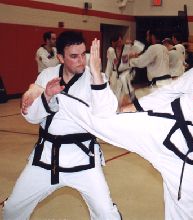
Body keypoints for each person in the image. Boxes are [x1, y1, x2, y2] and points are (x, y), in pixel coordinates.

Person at [20, 29, 193, 219]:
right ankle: (55, 96)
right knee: (105, 121)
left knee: (188, 205)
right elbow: (167, 94)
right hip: (161, 127)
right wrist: (131, 107)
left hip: (185, 153)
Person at [3, 31, 122, 220]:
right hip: (47, 158)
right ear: (60, 57)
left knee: (107, 214)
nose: (81, 61)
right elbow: (31, 117)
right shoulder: (47, 76)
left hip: (83, 159)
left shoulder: (94, 76)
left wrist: (98, 75)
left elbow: (107, 114)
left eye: (83, 54)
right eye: (74, 56)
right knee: (12, 210)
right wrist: (46, 96)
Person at [130, 30, 170, 98]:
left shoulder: (153, 48)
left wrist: (130, 60)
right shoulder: (164, 48)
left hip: (158, 85)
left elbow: (141, 62)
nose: (146, 38)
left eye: (148, 35)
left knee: (134, 97)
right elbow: (146, 58)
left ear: (153, 36)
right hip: (166, 82)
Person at [105, 33, 136, 108]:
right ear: (113, 42)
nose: (119, 43)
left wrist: (132, 44)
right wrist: (106, 78)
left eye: (120, 41)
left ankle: (118, 109)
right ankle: (113, 108)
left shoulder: (127, 48)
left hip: (124, 74)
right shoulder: (111, 50)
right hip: (114, 75)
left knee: (121, 94)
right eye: (117, 42)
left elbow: (139, 50)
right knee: (112, 93)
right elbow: (109, 65)